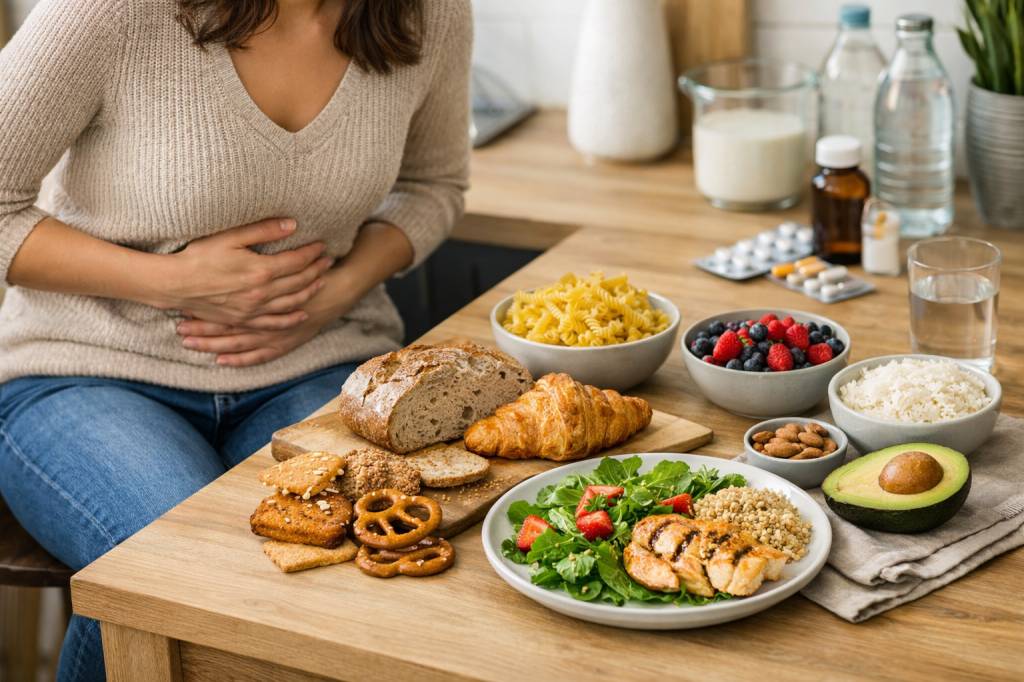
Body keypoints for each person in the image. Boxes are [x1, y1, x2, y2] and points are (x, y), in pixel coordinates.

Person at [0, 0, 470, 679]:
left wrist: (335, 292)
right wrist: (169, 282)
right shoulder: (111, 11)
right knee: (185, 567)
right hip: (88, 371)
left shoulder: (432, 14)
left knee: (348, 564)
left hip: (317, 364)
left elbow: (435, 185)